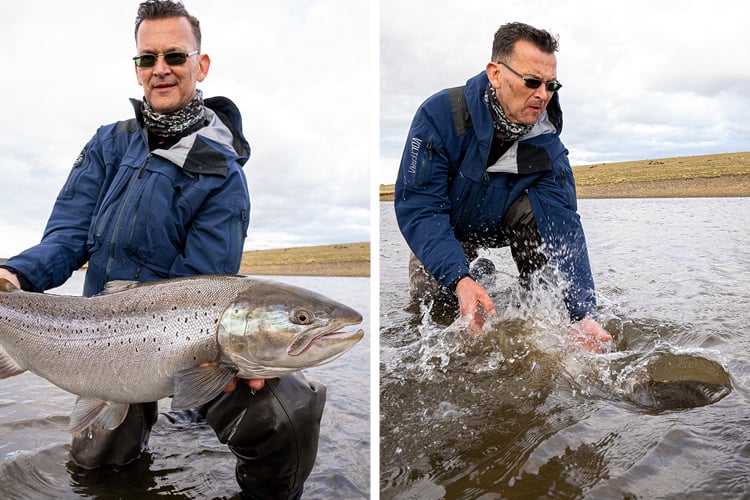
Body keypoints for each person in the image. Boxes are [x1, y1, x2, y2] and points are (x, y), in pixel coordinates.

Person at [0, 1, 323, 497]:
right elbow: (66, 237)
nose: (160, 69)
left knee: (286, 409)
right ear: (136, 69)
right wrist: (15, 276)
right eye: (146, 59)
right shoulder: (109, 144)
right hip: (98, 341)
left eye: (174, 56)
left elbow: (205, 283)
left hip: (188, 344)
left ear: (201, 64)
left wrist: (248, 363)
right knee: (95, 473)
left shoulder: (223, 175)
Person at [394, 22, 611, 348]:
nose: (542, 94)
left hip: (503, 224)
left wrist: (583, 314)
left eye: (552, 84)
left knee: (545, 285)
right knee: (433, 304)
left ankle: (533, 314)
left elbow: (564, 227)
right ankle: (472, 272)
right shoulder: (440, 116)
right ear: (495, 74)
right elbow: (419, 206)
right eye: (532, 82)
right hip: (447, 224)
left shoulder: (547, 145)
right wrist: (459, 278)